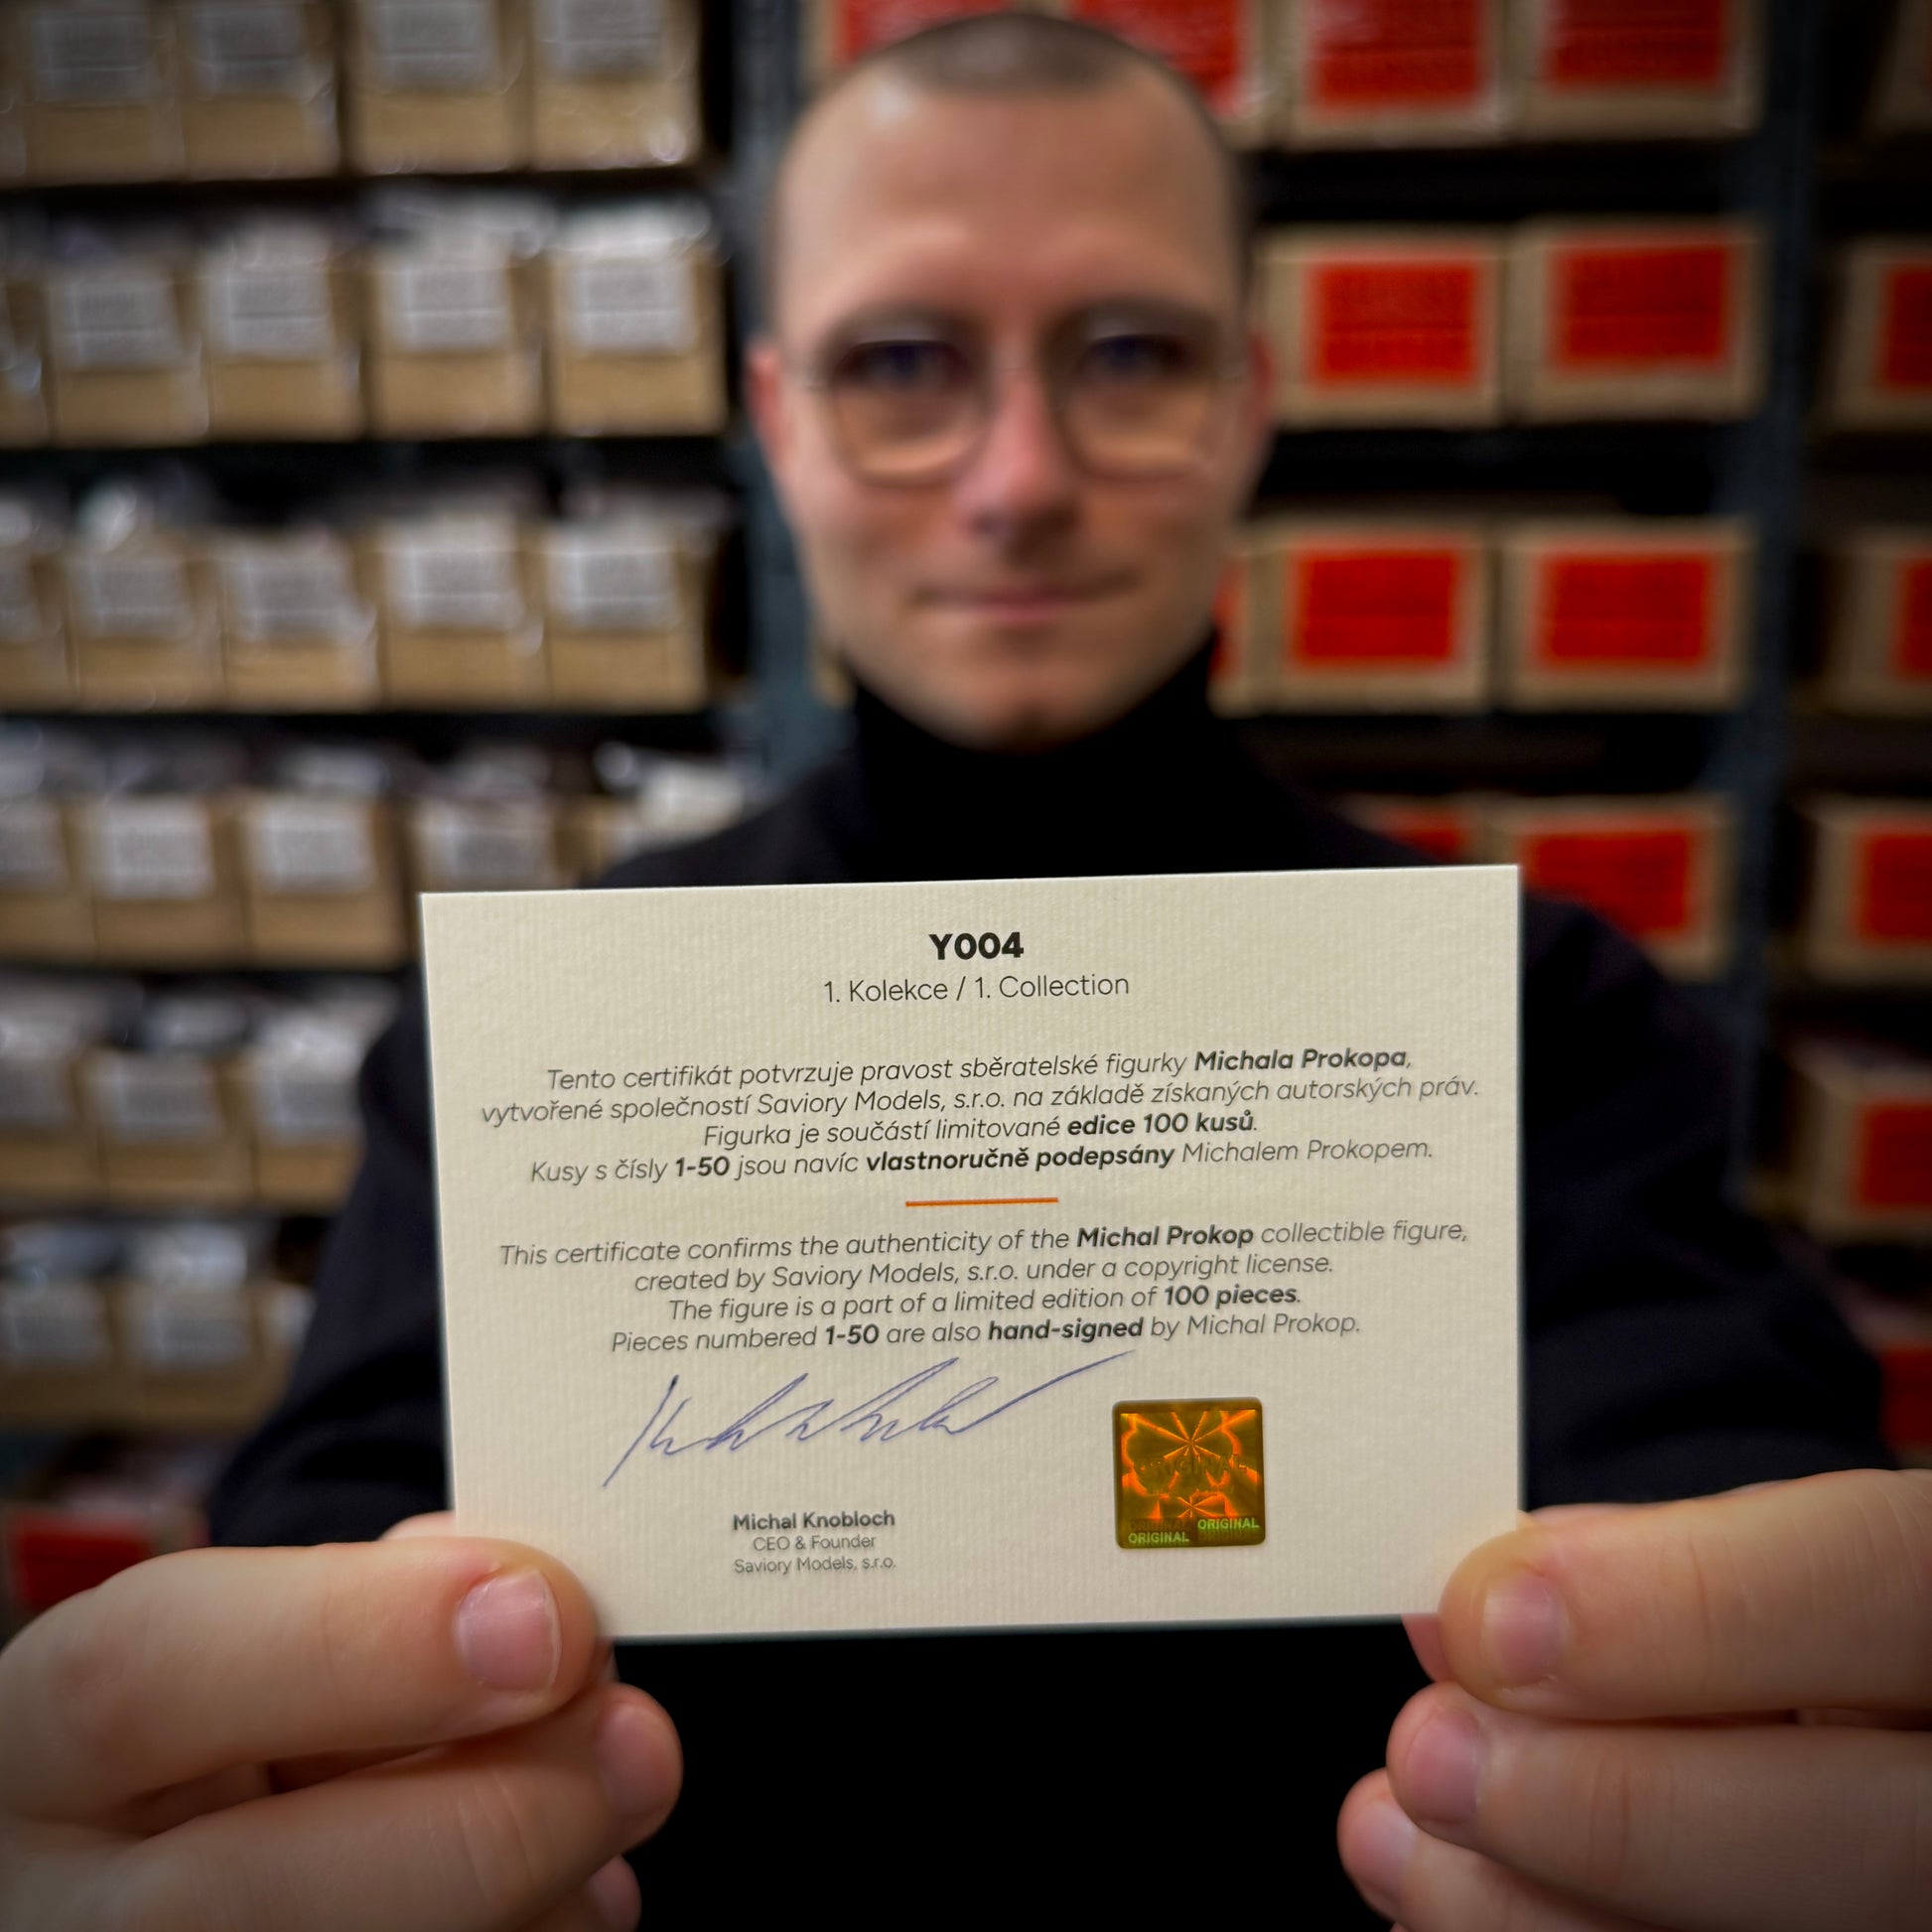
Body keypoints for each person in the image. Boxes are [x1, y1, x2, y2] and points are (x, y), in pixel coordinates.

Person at [1, 17, 1923, 1931]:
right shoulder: (544, 1050)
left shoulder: (1531, 1014)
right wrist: (246, 1776)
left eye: (1130, 354)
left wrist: (1773, 1712)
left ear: (1248, 403)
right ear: (777, 419)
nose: (1018, 480)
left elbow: (1704, 1464)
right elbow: (339, 1530)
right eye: (903, 363)